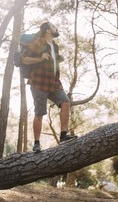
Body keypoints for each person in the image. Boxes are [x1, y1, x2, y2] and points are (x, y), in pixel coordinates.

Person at [21, 21, 77, 152]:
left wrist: (57, 59)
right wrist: (40, 58)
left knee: (65, 102)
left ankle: (63, 135)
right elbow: (24, 59)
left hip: (54, 82)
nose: (56, 28)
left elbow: (52, 62)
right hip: (39, 82)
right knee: (39, 113)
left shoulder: (55, 46)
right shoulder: (38, 43)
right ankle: (36, 143)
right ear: (47, 30)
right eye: (53, 26)